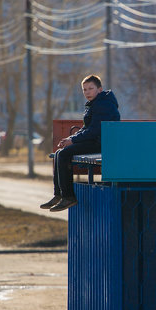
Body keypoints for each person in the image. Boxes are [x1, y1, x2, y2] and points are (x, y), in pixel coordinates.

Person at [40, 74, 120, 212]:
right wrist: (71, 139)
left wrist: (73, 140)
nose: (87, 92)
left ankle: (69, 197)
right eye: (84, 89)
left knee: (64, 154)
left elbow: (94, 130)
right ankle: (59, 195)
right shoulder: (95, 104)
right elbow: (87, 128)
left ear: (99, 89)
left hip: (103, 143)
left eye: (90, 88)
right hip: (96, 141)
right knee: (59, 153)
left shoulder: (103, 104)